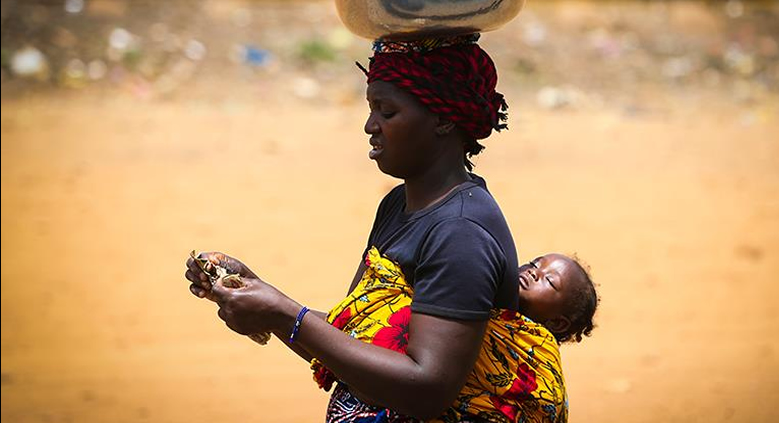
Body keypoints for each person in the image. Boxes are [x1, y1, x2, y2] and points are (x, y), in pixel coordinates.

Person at [185, 34, 523, 422]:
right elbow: (350, 343)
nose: (369, 125)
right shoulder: (398, 205)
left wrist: (284, 315)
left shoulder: (460, 232)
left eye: (387, 112)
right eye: (371, 108)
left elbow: (427, 388)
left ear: (444, 118)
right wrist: (258, 294)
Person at [308, 250, 598, 422]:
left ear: (558, 323)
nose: (533, 273)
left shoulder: (536, 356)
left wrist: (289, 318)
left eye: (548, 280)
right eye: (535, 264)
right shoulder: (478, 310)